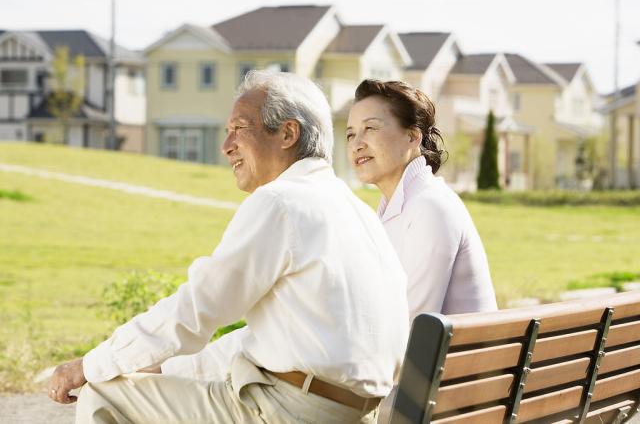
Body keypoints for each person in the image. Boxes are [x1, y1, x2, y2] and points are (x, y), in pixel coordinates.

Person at [48, 71, 410, 424]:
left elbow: (196, 309)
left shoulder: (281, 202)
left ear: (288, 133)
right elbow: (264, 339)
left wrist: (90, 365)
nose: (226, 147)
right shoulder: (355, 212)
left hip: (290, 411)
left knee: (103, 394)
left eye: (239, 129)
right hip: (355, 413)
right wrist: (162, 366)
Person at [346, 79, 497, 321]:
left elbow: (411, 322)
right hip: (441, 357)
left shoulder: (430, 207)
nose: (356, 144)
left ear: (413, 137)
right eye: (350, 135)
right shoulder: (393, 210)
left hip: (450, 358)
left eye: (370, 128)